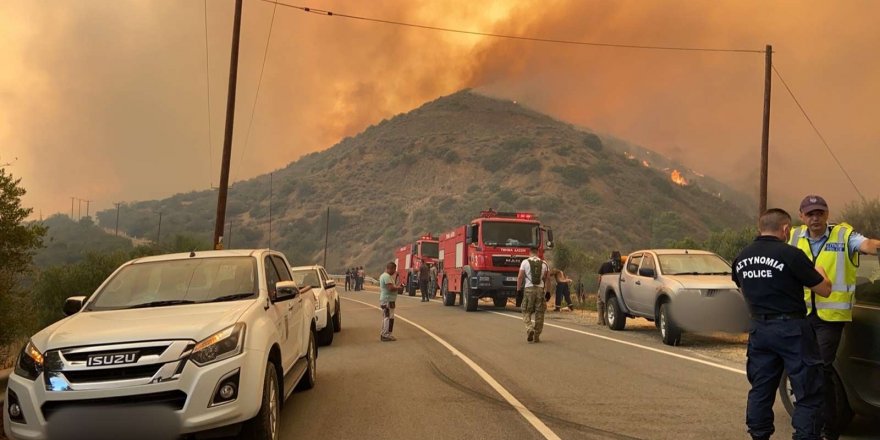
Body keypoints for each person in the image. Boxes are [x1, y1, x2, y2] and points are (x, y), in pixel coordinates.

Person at [733, 208, 832, 440]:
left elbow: (742, 290)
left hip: (759, 329)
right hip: (792, 330)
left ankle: (758, 435)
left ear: (761, 227)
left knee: (761, 388)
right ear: (785, 229)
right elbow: (824, 290)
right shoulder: (791, 254)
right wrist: (820, 271)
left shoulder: (741, 257)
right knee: (808, 391)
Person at [788, 195, 880, 440]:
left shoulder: (843, 235)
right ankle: (822, 421)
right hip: (802, 314)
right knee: (809, 370)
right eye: (810, 214)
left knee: (820, 367)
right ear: (802, 216)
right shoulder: (794, 237)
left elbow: (868, 245)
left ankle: (825, 427)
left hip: (831, 318)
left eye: (820, 213)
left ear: (827, 214)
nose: (815, 218)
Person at [517, 249, 549, 343]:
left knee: (526, 311)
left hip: (529, 290)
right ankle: (536, 336)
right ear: (538, 254)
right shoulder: (544, 263)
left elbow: (520, 277)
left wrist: (518, 290)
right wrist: (547, 292)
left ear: (529, 253)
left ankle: (530, 328)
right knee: (540, 313)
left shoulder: (525, 262)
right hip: (540, 290)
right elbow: (547, 279)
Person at [378, 262, 404, 342]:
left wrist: (396, 287)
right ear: (390, 268)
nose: (394, 271)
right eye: (394, 269)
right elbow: (390, 288)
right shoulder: (386, 276)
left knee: (388, 317)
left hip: (389, 300)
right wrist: (398, 288)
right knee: (388, 318)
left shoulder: (386, 276)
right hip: (387, 300)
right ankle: (385, 335)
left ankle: (386, 334)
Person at [596, 251, 623, 325]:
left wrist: (599, 287)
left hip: (604, 287)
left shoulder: (605, 265)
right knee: (609, 304)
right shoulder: (621, 266)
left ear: (611, 257)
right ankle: (608, 320)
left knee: (600, 303)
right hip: (616, 289)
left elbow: (599, 277)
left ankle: (601, 320)